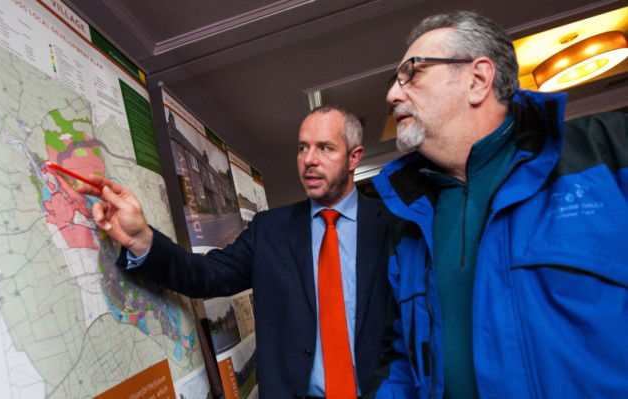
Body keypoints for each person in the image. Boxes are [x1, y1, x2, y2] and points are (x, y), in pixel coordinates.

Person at [372, 10, 628, 399]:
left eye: (413, 73)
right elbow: (402, 360)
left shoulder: (608, 152)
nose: (393, 93)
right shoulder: (409, 222)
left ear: (477, 80)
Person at [78, 105, 395, 398]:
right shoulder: (270, 229)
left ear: (354, 158)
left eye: (324, 148)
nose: (309, 159)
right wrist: (141, 239)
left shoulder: (397, 225)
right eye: (303, 147)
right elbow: (206, 276)